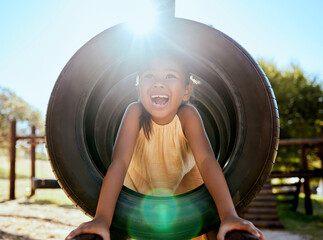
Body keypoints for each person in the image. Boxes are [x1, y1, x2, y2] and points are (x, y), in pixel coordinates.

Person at [66, 50, 265, 240]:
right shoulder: (133, 113)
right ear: (138, 88)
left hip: (184, 187)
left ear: (187, 91)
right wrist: (101, 218)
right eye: (149, 76)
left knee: (200, 225)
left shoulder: (188, 115)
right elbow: (119, 162)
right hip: (139, 186)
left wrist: (229, 215)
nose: (159, 83)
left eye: (170, 76)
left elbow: (206, 160)